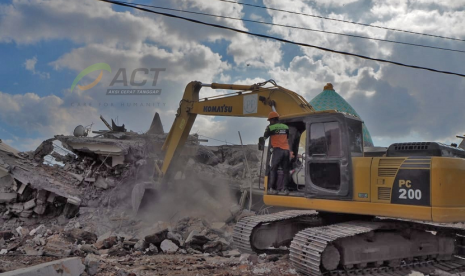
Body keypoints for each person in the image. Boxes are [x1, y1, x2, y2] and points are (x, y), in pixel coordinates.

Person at [262, 111, 291, 195]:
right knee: (286, 171)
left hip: (277, 150)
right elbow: (287, 137)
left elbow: (264, 138)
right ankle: (285, 189)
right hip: (286, 150)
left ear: (273, 120)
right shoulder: (286, 127)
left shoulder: (270, 127)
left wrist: (261, 142)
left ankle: (271, 188)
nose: (270, 122)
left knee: (273, 169)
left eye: (270, 121)